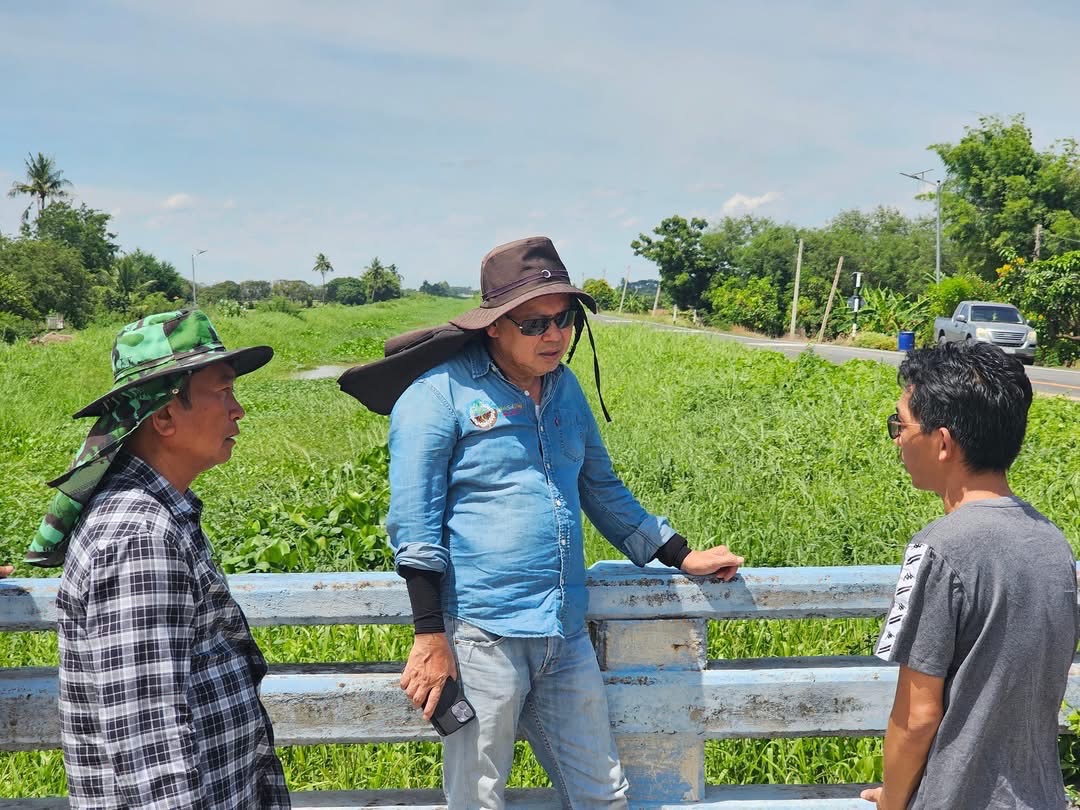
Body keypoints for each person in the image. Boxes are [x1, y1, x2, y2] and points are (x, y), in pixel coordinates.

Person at [345, 237, 743, 808]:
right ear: (494, 326)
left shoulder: (565, 389)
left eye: (565, 320)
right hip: (484, 635)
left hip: (564, 633)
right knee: (478, 798)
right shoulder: (438, 396)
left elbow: (601, 488)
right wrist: (430, 635)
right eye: (534, 324)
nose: (554, 337)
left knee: (602, 796)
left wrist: (680, 554)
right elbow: (415, 523)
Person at [26, 310, 290, 809]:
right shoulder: (139, 538)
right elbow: (150, 744)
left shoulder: (159, 514)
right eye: (223, 392)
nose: (239, 411)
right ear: (164, 416)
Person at [861, 341, 1078, 809]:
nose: (898, 437)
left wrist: (892, 800)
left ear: (942, 442)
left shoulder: (937, 550)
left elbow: (918, 717)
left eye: (900, 423)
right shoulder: (1052, 543)